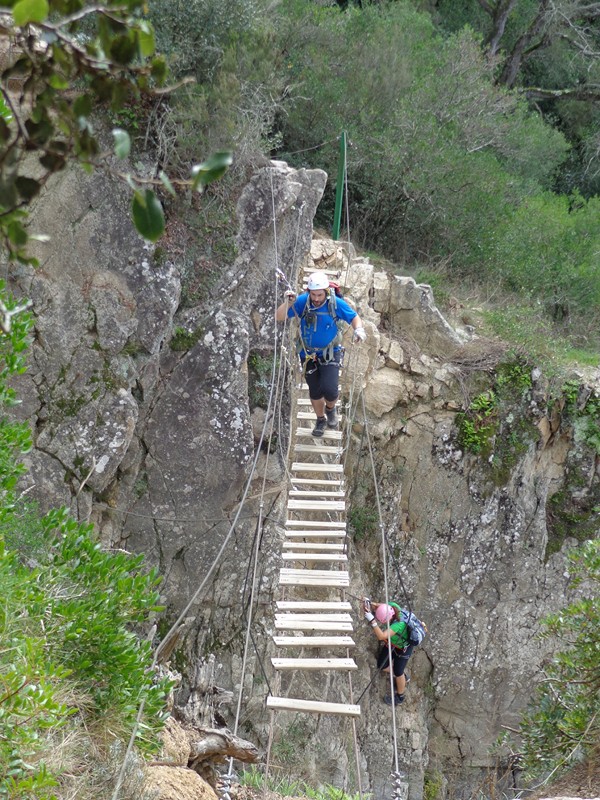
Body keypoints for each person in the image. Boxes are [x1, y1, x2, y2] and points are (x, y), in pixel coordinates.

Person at [275, 270, 366, 437]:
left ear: (326, 292)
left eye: (319, 295)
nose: (316, 299)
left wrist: (358, 329)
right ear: (309, 292)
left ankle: (330, 409)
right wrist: (288, 303)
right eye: (313, 294)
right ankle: (320, 419)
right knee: (315, 391)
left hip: (330, 353)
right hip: (307, 354)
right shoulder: (303, 301)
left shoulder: (335, 303)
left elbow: (354, 317)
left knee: (330, 390)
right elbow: (279, 317)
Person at [363, 598, 413, 706]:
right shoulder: (393, 607)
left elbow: (381, 636)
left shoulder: (398, 625)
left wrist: (372, 621)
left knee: (398, 671)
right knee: (382, 665)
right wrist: (370, 603)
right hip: (392, 643)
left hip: (403, 648)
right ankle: (404, 677)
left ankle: (400, 697)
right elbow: (380, 606)